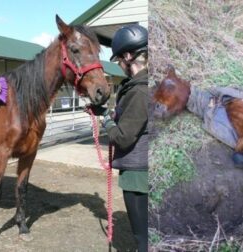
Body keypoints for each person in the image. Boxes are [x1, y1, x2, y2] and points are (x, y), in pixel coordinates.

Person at [87, 24, 148, 252]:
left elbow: (122, 138)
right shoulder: (142, 86)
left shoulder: (140, 90)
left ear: (129, 56)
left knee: (143, 237)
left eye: (120, 60)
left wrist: (106, 120)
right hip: (142, 169)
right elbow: (135, 119)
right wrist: (109, 114)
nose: (120, 66)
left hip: (138, 174)